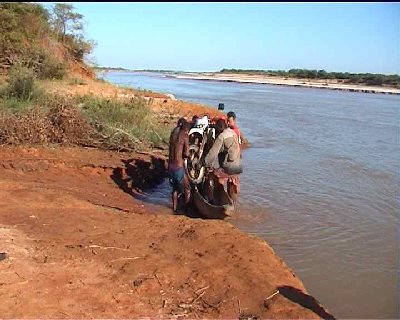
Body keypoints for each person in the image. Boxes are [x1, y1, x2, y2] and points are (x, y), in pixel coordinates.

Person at [204, 118, 243, 204]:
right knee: (232, 180)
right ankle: (233, 202)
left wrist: (205, 163)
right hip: (238, 166)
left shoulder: (221, 136)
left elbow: (213, 153)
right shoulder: (233, 133)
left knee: (213, 176)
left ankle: (213, 200)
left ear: (219, 128)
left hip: (229, 167)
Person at [168, 119, 191, 212]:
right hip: (179, 167)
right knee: (187, 188)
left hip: (170, 167)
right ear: (187, 129)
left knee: (175, 189)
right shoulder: (185, 136)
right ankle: (187, 209)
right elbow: (186, 153)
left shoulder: (173, 134)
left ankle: (174, 208)